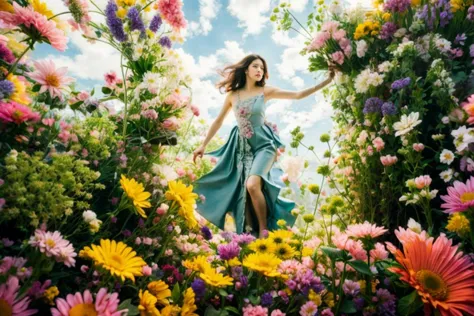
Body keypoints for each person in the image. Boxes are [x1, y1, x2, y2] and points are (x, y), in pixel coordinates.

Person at [193, 54, 335, 237]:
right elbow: (218, 121)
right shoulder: (232, 95)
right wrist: (203, 145)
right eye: (255, 66)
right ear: (246, 69)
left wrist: (328, 80)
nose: (259, 70)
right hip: (242, 149)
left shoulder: (265, 92)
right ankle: (248, 233)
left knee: (252, 185)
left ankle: (263, 230)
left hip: (264, 147)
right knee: (242, 192)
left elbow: (298, 95)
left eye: (262, 68)